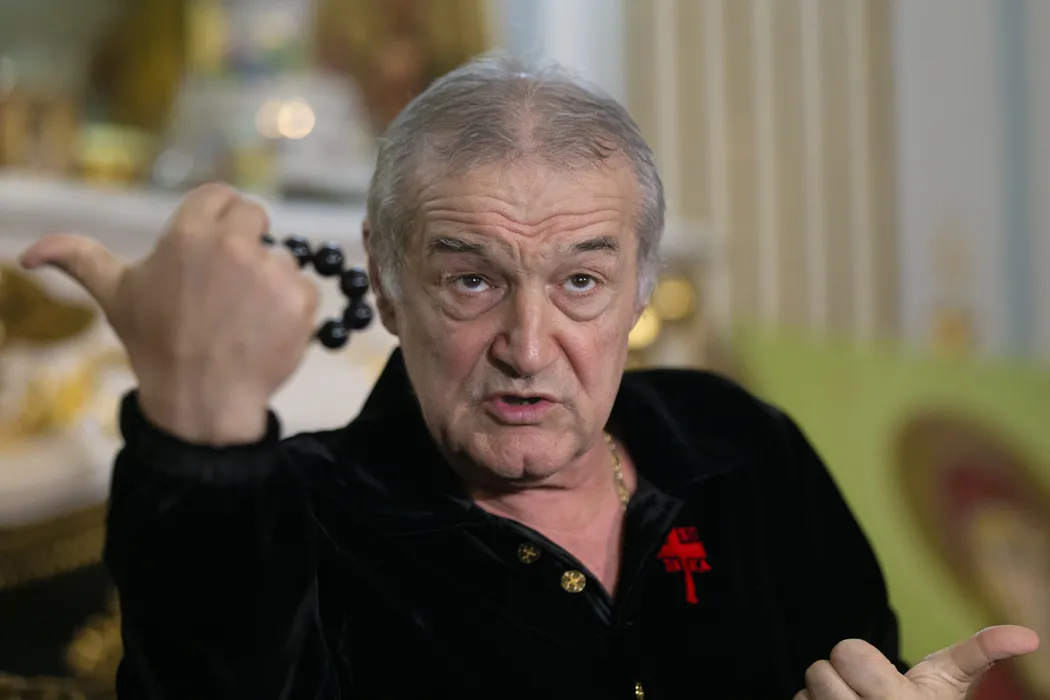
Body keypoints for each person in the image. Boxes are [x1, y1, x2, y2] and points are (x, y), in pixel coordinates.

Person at [19, 55, 1038, 699]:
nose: (530, 344)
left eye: (582, 280)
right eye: (471, 279)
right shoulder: (296, 520)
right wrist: (198, 432)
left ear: (643, 286)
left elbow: (864, 661)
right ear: (386, 280)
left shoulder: (740, 447)